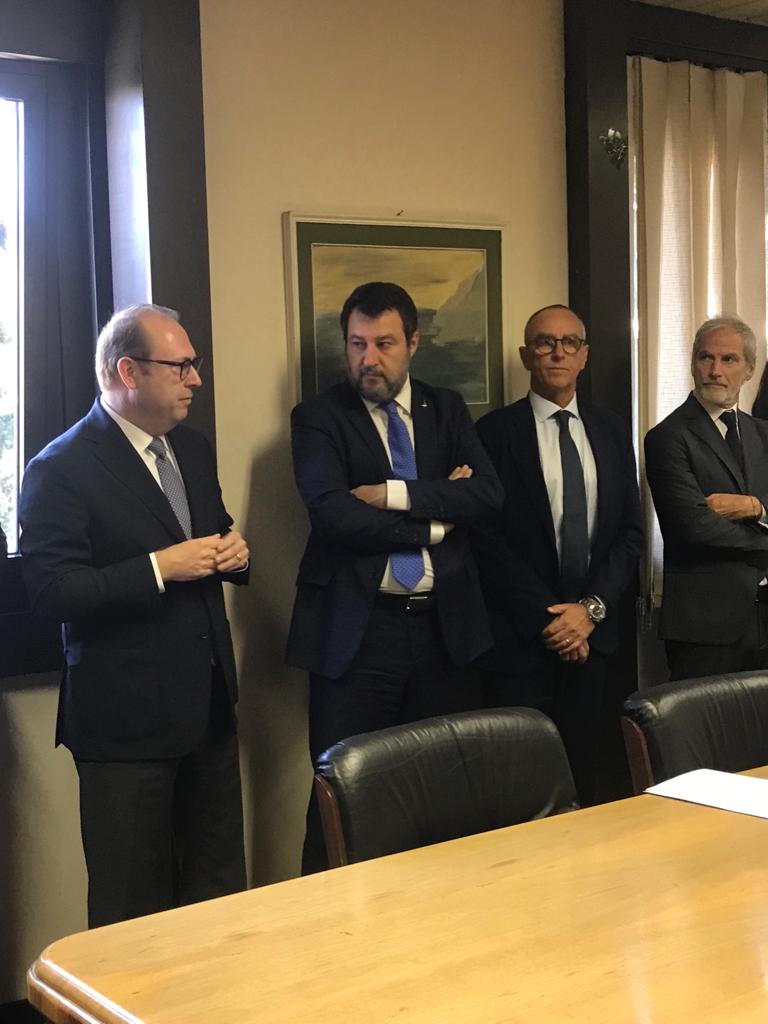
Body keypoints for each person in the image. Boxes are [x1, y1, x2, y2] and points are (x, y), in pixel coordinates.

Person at [20, 304, 249, 927]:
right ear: (128, 371)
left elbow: (213, 533)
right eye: (180, 366)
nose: (195, 379)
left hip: (207, 709)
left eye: (194, 364)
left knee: (221, 896)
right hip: (124, 725)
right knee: (131, 912)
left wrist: (235, 552)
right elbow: (52, 592)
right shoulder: (59, 468)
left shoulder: (192, 448)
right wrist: (157, 568)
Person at [287, 281, 503, 869]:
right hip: (358, 636)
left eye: (383, 344)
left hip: (443, 632)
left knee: (443, 793)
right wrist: (435, 523)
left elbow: (487, 495)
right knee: (341, 795)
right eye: (357, 343)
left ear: (413, 343)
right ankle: (325, 915)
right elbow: (333, 515)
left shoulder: (447, 408)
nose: (368, 359)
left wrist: (391, 494)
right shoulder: (319, 418)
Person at [473, 304, 642, 804]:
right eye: (544, 342)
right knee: (518, 789)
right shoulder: (491, 433)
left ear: (584, 355)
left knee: (591, 784)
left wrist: (589, 611)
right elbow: (486, 539)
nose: (557, 353)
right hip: (522, 641)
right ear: (526, 355)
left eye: (570, 342)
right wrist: (552, 620)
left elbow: (629, 532)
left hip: (597, 640)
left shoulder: (612, 430)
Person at [644, 314, 768, 681]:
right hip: (704, 628)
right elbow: (693, 527)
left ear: (749, 369)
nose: (715, 370)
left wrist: (756, 507)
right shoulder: (667, 437)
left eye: (729, 359)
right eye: (706, 357)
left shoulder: (763, 434)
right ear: (693, 364)